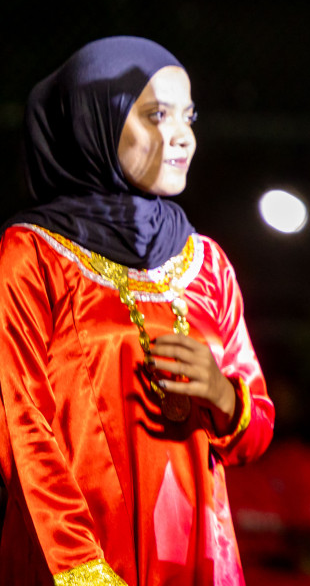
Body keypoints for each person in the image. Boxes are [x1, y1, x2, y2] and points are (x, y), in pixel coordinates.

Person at [0, 37, 274, 586]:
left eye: (188, 116)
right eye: (155, 115)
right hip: (79, 559)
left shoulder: (207, 262)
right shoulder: (33, 255)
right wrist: (82, 570)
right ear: (91, 123)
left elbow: (256, 427)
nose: (182, 137)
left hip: (198, 558)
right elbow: (18, 424)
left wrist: (223, 396)